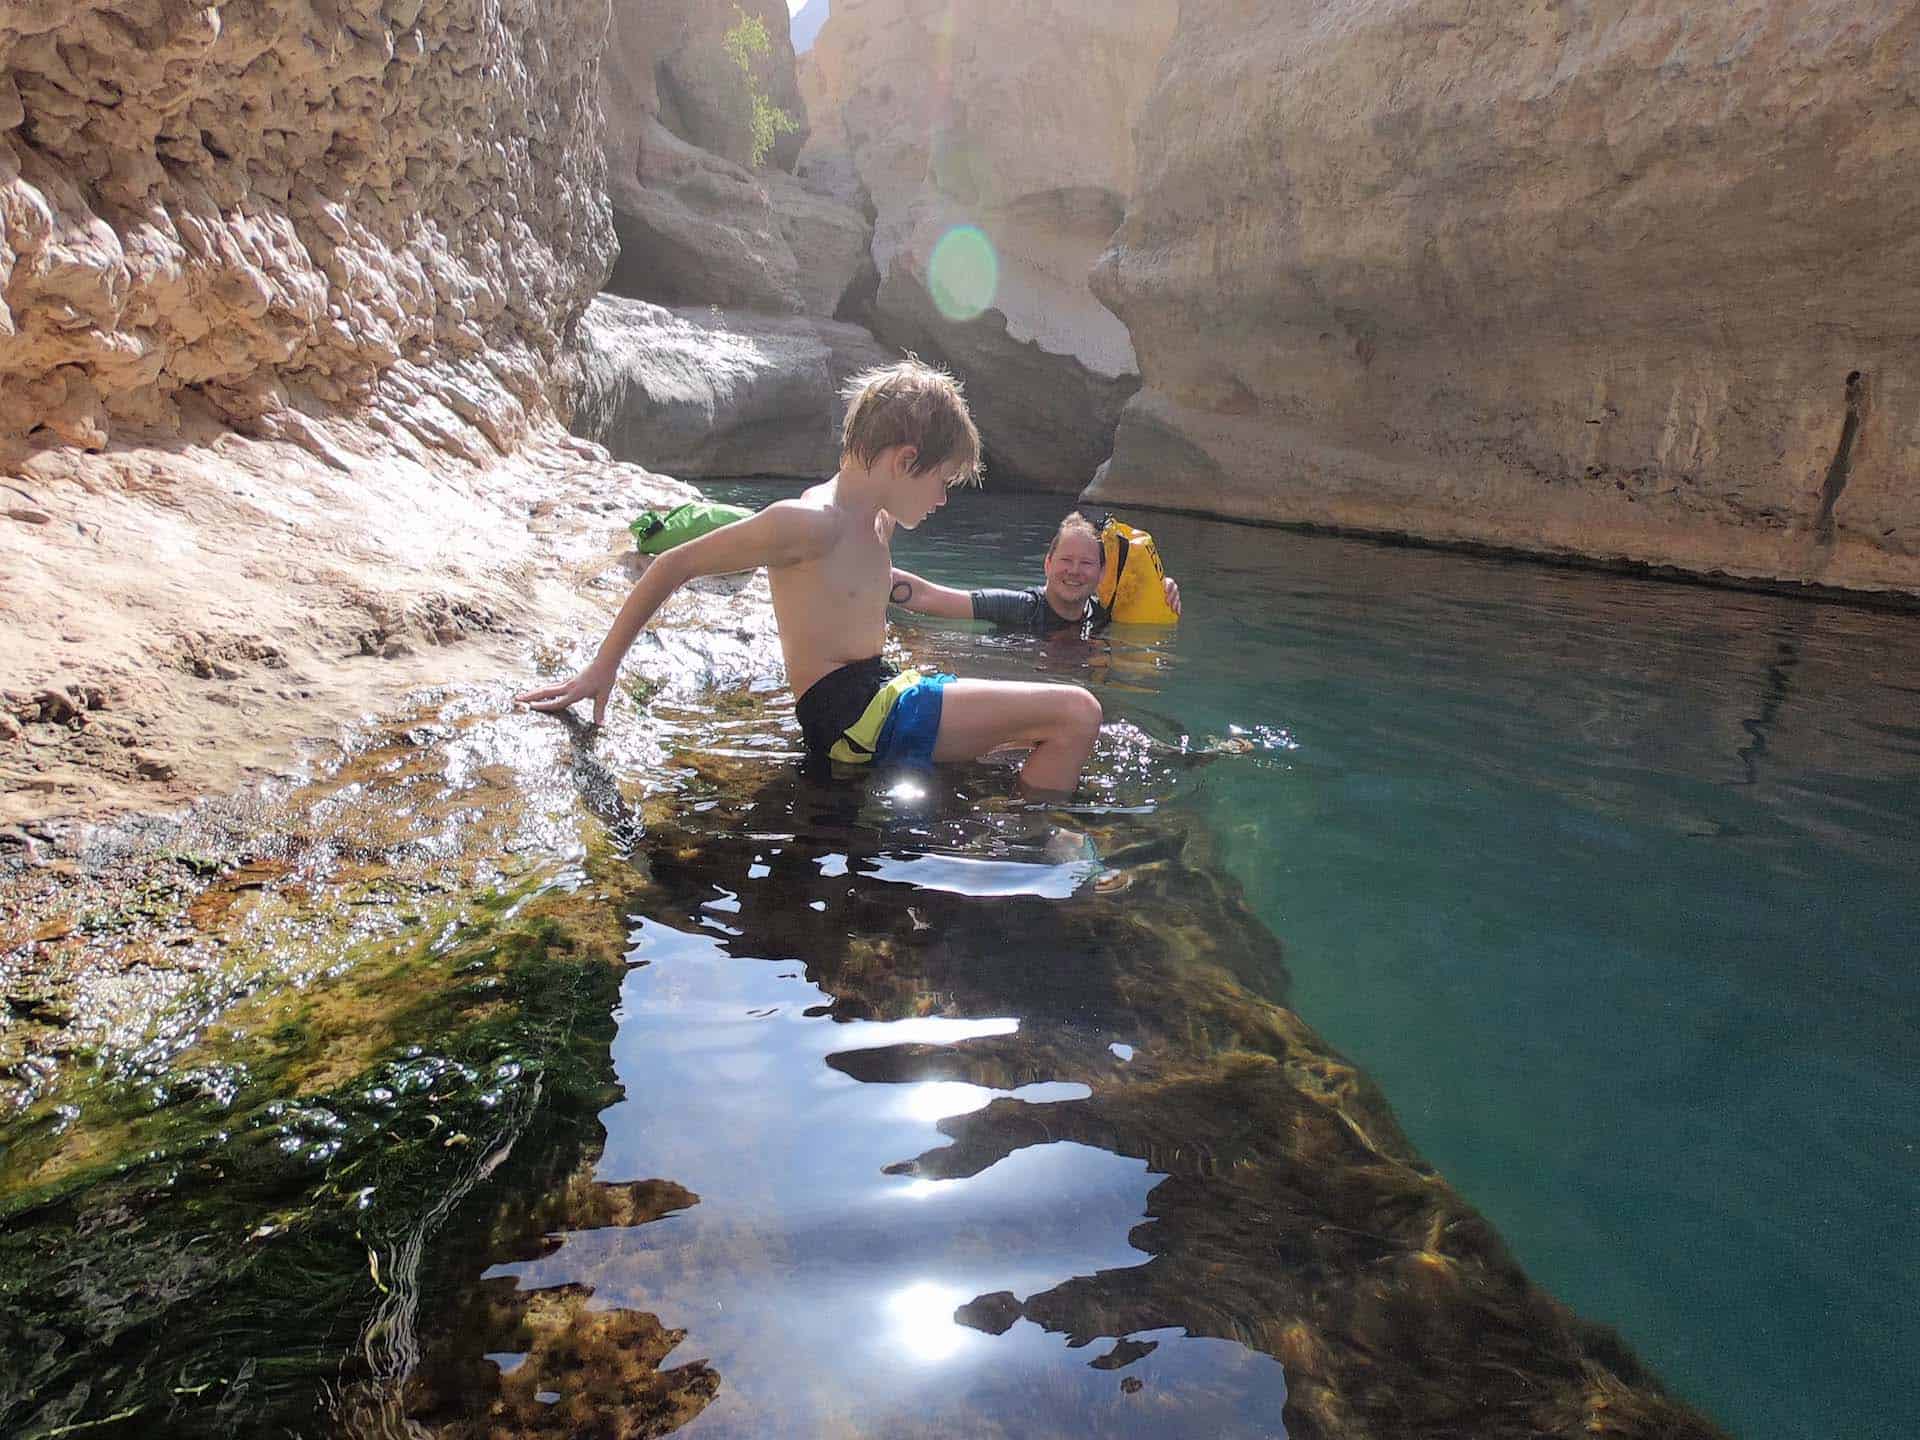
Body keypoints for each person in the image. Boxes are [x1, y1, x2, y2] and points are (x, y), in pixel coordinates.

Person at [514, 360, 1104, 796]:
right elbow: (674, 564)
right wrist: (601, 669)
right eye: (941, 481)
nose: (944, 499)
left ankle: (1014, 811)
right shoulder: (806, 523)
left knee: (1029, 730)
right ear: (903, 461)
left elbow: (856, 592)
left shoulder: (875, 519)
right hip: (853, 716)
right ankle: (1037, 841)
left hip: (880, 698)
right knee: (1077, 712)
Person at [886, 510, 1181, 636]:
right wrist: (863, 574)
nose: (1075, 571)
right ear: (1047, 564)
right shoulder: (1019, 608)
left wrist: (1161, 588)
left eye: (1086, 563)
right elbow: (929, 596)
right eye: (1066, 560)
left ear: (1102, 573)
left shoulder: (1103, 615)